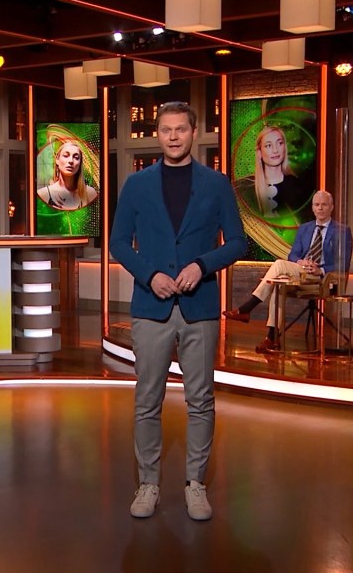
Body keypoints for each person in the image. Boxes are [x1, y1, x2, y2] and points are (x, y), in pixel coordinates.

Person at [111, 101, 246, 521]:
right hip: (150, 306)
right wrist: (149, 274)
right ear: (158, 134)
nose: (173, 136)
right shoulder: (136, 185)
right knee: (147, 399)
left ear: (194, 132)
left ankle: (195, 485)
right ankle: (148, 483)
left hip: (198, 306)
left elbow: (237, 242)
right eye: (166, 130)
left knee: (200, 399)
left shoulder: (216, 184)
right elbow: (118, 243)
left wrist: (202, 265)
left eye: (181, 129)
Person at [223, 191, 353, 352]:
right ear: (313, 208)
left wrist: (320, 269)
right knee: (278, 284)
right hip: (302, 271)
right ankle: (271, 337)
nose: (320, 208)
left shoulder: (342, 231)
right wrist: (301, 262)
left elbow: (343, 263)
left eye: (324, 205)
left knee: (279, 265)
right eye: (317, 205)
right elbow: (293, 255)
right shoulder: (305, 228)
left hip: (323, 278)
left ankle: (247, 308)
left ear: (331, 207)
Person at [249, 126, 307, 217]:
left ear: (285, 148)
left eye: (279, 143)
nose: (275, 150)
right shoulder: (247, 190)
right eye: (268, 145)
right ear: (259, 153)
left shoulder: (298, 186)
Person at [36, 140, 98, 211]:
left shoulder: (90, 193)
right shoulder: (43, 194)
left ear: (80, 163)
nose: (71, 161)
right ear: (57, 160)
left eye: (76, 157)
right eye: (66, 156)